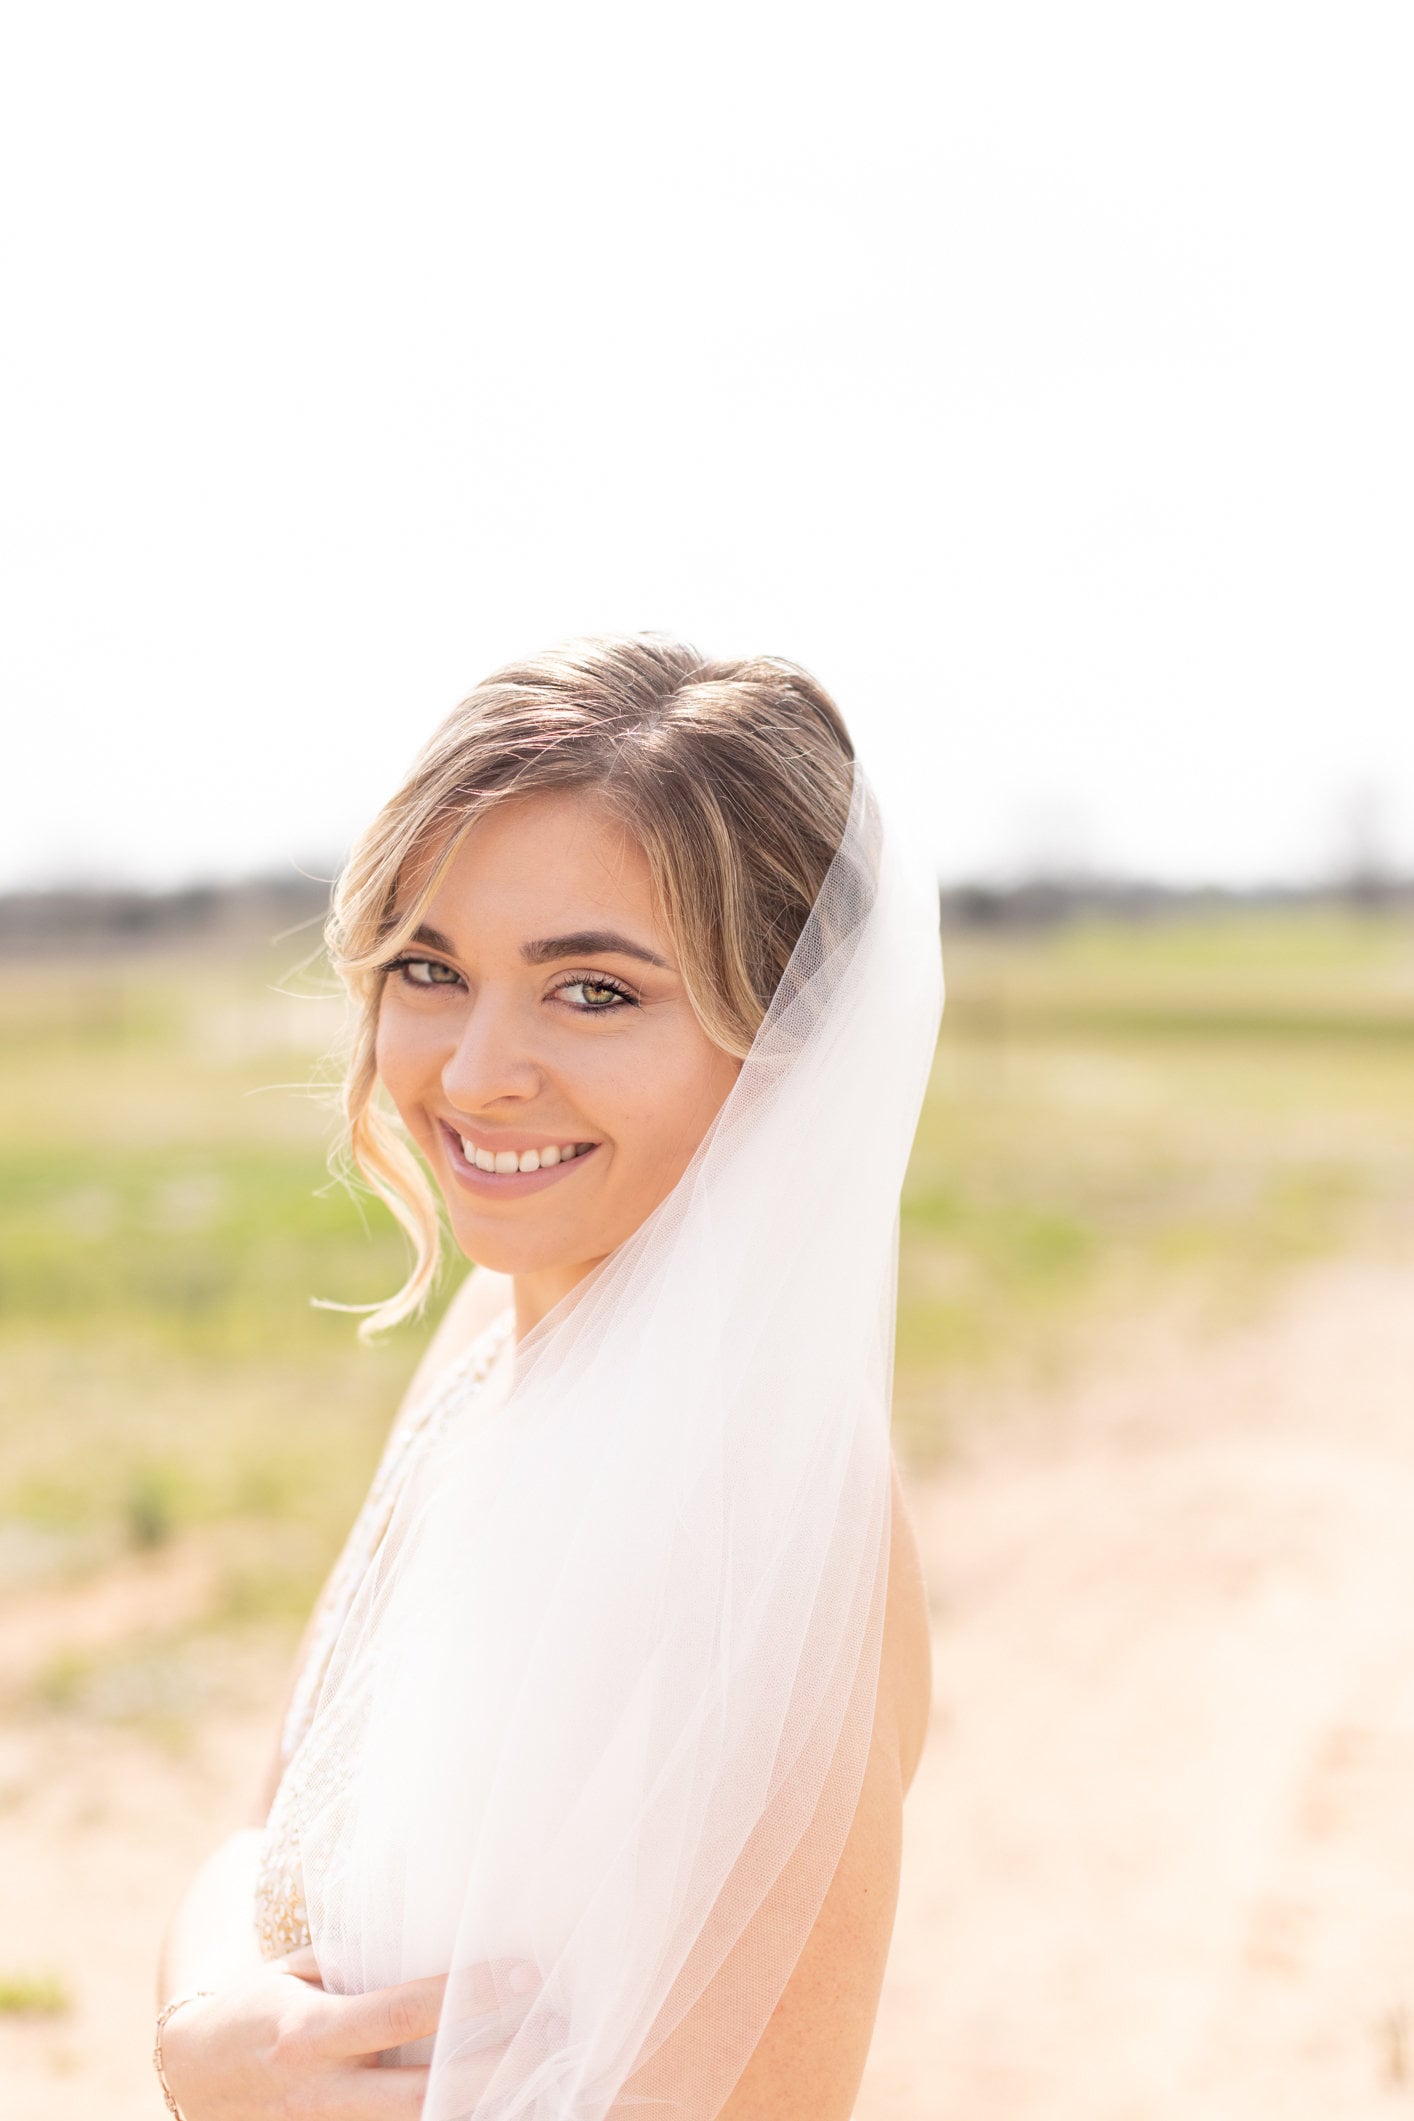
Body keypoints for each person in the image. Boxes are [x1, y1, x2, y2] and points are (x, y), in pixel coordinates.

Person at [154, 635, 941, 2120]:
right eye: (432, 970)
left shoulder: (772, 1518)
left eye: (592, 992)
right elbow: (260, 1851)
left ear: (789, 1042)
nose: (471, 1072)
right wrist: (203, 2026)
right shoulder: (486, 1341)